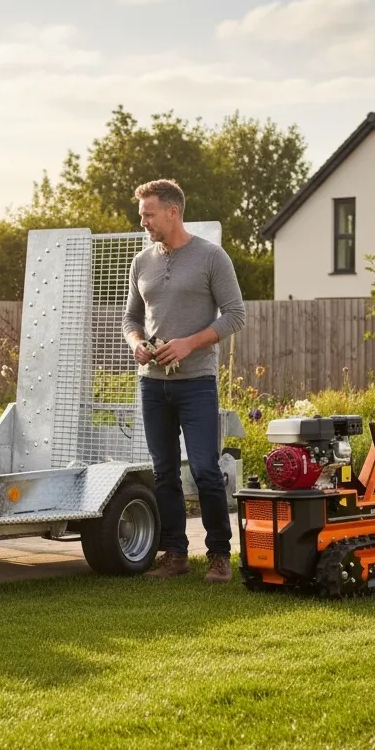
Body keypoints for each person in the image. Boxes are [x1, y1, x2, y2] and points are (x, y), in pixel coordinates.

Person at [122, 178, 246, 582]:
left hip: (196, 383)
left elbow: (234, 315)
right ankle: (174, 554)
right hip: (151, 383)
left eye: (148, 214)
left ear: (173, 211)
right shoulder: (142, 261)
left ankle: (219, 556)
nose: (143, 222)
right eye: (142, 215)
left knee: (207, 470)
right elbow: (130, 320)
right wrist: (137, 343)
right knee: (163, 472)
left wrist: (189, 343)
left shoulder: (212, 258)